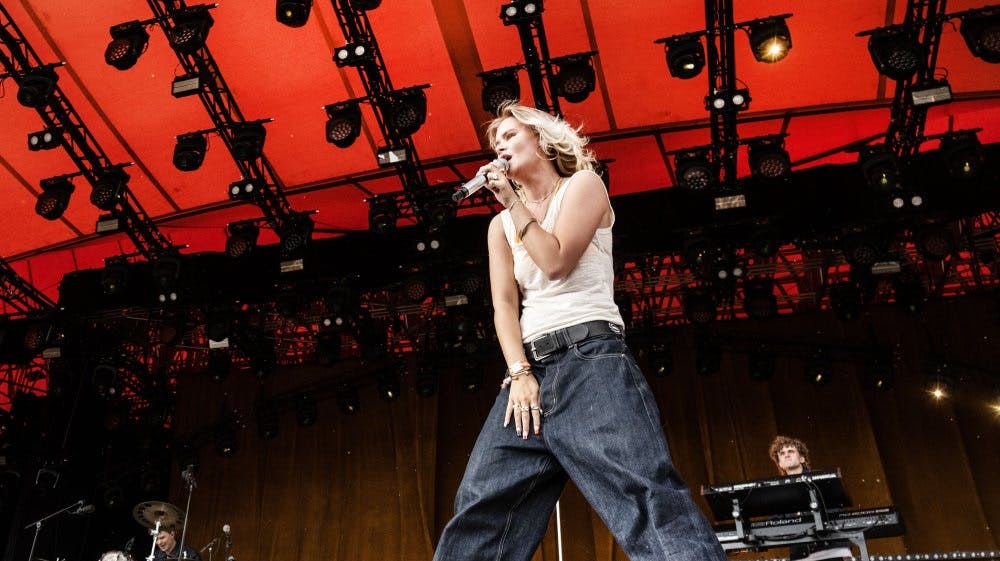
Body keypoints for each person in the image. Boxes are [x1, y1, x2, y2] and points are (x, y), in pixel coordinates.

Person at [432, 102, 728, 561]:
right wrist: (518, 372)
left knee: (641, 492)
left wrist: (510, 200)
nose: (500, 148)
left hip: (590, 358)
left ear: (544, 141)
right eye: (495, 144)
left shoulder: (584, 187)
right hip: (527, 375)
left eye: (509, 136)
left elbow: (554, 262)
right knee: (482, 505)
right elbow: (505, 307)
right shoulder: (498, 227)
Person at [768, 435, 852, 561]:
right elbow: (775, 524)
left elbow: (838, 512)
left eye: (791, 451)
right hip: (801, 553)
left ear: (802, 458)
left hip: (832, 549)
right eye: (782, 453)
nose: (786, 454)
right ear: (779, 463)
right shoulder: (776, 490)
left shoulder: (822, 479)